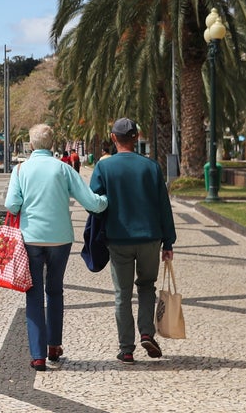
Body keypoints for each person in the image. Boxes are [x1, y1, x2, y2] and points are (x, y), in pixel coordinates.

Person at [4, 124, 108, 371]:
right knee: (55, 290)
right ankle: (54, 346)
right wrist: (107, 201)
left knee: (34, 294)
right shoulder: (63, 169)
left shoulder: (20, 170)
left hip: (30, 239)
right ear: (51, 145)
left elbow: (11, 204)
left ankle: (38, 355)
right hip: (60, 239)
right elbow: (91, 202)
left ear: (31, 144)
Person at [89, 117, 176, 365]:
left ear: (113, 138)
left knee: (122, 294)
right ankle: (147, 332)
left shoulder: (104, 168)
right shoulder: (151, 167)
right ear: (136, 138)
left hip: (119, 239)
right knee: (147, 285)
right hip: (150, 238)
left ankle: (126, 349)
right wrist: (168, 242)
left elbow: (96, 202)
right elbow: (163, 207)